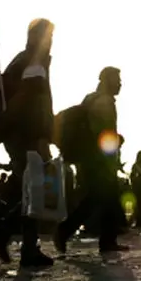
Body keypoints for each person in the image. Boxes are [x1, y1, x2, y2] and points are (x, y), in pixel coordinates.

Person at [0, 19, 57, 267]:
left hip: (19, 134)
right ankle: (6, 232)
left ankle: (23, 243)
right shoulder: (33, 62)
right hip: (27, 136)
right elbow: (33, 103)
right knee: (33, 191)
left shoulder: (25, 60)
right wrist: (41, 135)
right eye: (49, 36)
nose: (51, 42)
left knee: (30, 190)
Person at [55, 67, 127, 253]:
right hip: (98, 161)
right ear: (106, 80)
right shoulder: (104, 102)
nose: (120, 84)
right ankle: (65, 231)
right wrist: (114, 150)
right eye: (116, 79)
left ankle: (107, 241)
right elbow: (103, 135)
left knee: (101, 199)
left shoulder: (91, 99)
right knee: (99, 198)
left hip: (89, 160)